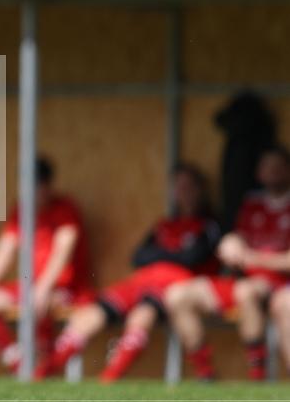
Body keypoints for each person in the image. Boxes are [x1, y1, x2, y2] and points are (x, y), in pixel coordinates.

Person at [34, 163, 220, 381]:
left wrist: (162, 254)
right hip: (144, 281)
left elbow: (193, 258)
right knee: (91, 314)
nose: (183, 192)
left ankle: (109, 378)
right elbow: (138, 257)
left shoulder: (209, 225)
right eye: (178, 187)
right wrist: (172, 254)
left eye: (188, 186)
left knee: (142, 316)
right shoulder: (165, 225)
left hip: (176, 286)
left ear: (200, 189)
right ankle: (44, 372)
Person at [164, 146, 290, 380]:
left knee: (251, 292)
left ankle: (257, 378)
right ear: (259, 172)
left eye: (278, 167)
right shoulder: (251, 203)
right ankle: (207, 377)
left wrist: (255, 257)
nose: (272, 172)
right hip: (243, 280)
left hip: (278, 285)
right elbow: (239, 237)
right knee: (176, 296)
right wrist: (232, 243)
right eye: (266, 167)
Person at [0, 157, 93, 374]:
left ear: (46, 186)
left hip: (64, 288)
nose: (29, 192)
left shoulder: (65, 210)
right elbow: (4, 251)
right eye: (25, 184)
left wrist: (43, 288)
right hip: (31, 286)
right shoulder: (21, 211)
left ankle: (43, 364)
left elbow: (62, 252)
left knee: (38, 302)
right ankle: (17, 360)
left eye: (35, 185)